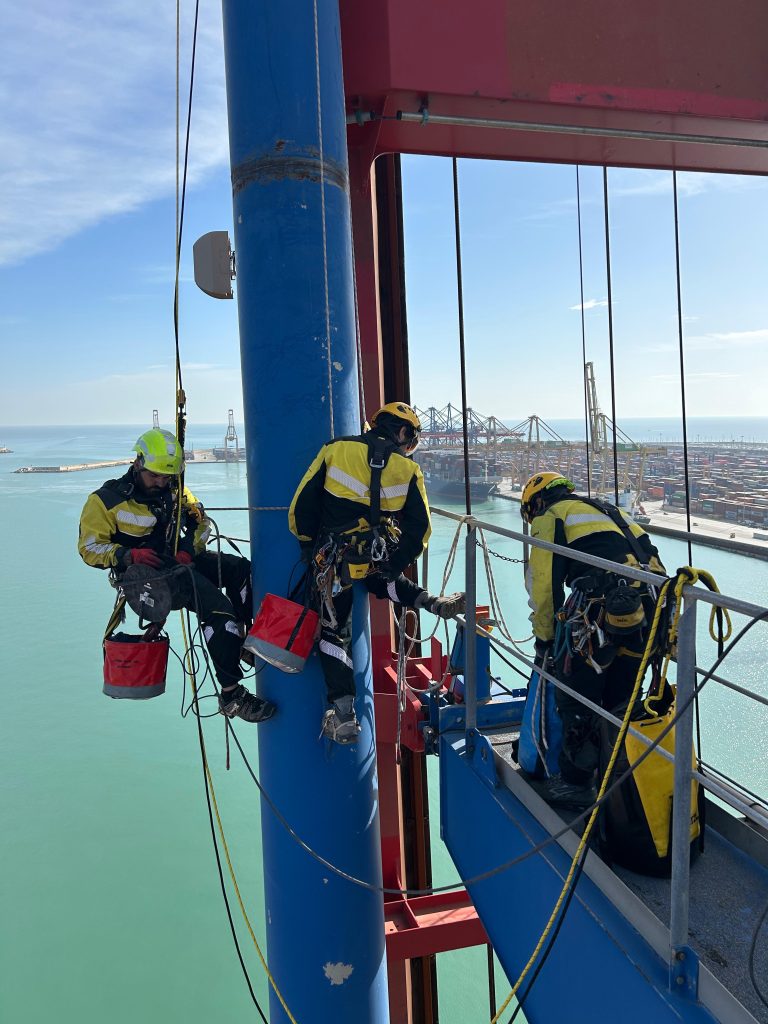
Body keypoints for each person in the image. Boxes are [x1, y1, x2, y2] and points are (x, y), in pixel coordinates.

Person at [289, 402, 465, 744]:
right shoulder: (408, 470)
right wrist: (393, 564)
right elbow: (420, 530)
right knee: (386, 582)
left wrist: (308, 548)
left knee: (333, 632)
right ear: (402, 432)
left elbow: (303, 506)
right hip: (376, 554)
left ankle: (343, 712)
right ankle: (430, 601)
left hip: (334, 558)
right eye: (411, 438)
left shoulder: (336, 449)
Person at [78, 428, 275, 724]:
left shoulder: (176, 491)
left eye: (166, 476)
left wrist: (187, 550)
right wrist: (127, 555)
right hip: (144, 578)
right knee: (219, 612)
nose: (161, 482)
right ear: (138, 463)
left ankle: (243, 642)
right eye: (154, 475)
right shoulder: (105, 501)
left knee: (240, 570)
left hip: (177, 562)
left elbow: (201, 523)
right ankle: (231, 695)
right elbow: (89, 548)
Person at [521, 472, 666, 808]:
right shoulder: (613, 512)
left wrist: (545, 642)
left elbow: (544, 588)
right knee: (623, 697)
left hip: (600, 612)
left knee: (577, 696)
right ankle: (616, 773)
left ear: (537, 501)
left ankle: (575, 784)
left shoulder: (551, 516)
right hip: (649, 613)